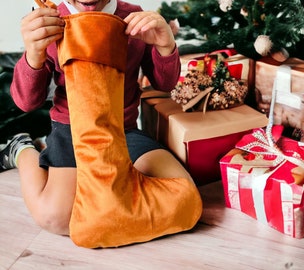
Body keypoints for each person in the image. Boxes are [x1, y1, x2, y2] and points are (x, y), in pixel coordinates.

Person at [1, 0, 194, 236]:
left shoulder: (134, 16)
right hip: (70, 131)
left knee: (183, 194)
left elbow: (164, 83)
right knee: (56, 219)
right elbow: (26, 101)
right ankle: (21, 148)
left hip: (123, 131)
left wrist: (166, 46)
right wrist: (33, 54)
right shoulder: (51, 19)